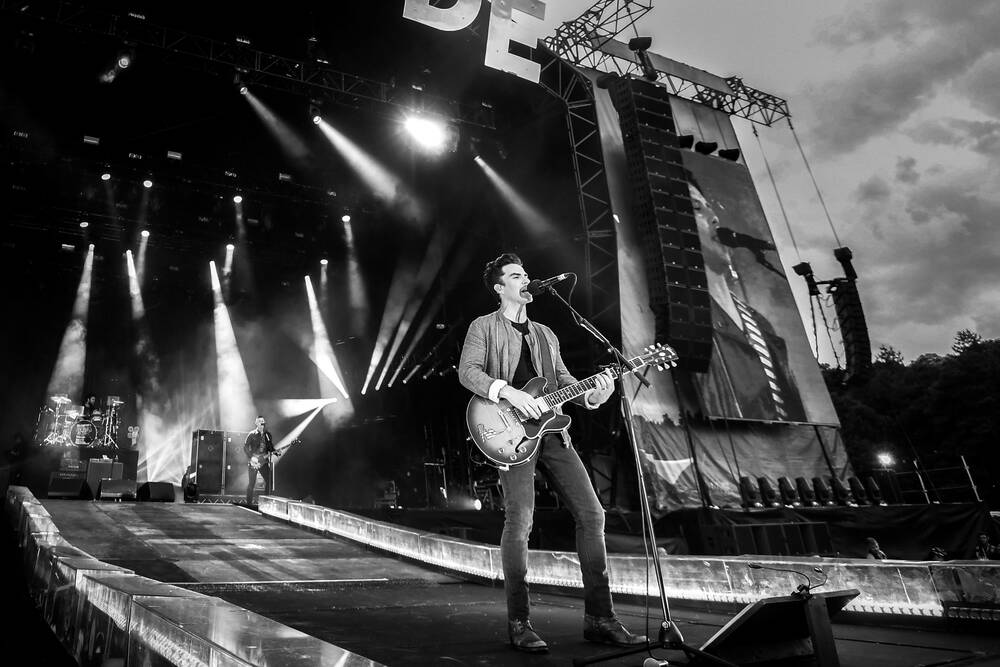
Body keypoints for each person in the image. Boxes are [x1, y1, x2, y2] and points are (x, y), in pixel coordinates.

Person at [458, 253, 646, 653]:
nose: (525, 280)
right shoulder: (484, 326)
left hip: (553, 430)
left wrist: (596, 391)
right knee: (520, 519)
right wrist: (506, 391)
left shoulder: (545, 333)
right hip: (508, 432)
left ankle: (600, 618)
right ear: (499, 288)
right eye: (515, 276)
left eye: (526, 274)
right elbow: (468, 372)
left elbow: (562, 381)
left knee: (592, 514)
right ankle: (519, 622)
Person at [243, 416, 274, 505]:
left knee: (269, 481)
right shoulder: (251, 434)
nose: (262, 422)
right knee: (251, 483)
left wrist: (276, 452)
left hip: (263, 462)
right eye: (260, 421)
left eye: (263, 421)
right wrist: (251, 457)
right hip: (254, 462)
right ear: (256, 423)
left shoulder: (267, 435)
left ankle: (266, 502)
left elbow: (271, 447)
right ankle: (249, 503)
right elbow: (245, 447)